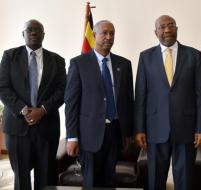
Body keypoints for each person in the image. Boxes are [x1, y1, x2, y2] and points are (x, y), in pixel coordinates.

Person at [134, 15, 201, 190]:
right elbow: (141, 96)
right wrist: (139, 129)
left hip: (186, 128)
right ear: (156, 32)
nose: (167, 30)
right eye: (162, 27)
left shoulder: (194, 55)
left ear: (176, 28)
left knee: (185, 179)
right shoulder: (146, 57)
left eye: (171, 25)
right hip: (155, 128)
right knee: (155, 179)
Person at [65, 20, 134, 189]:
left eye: (112, 33)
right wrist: (72, 136)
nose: (108, 37)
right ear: (94, 35)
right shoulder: (78, 63)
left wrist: (129, 132)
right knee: (91, 182)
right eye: (104, 33)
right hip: (89, 134)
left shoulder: (124, 64)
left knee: (110, 180)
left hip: (115, 133)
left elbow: (128, 101)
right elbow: (71, 103)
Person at [0, 19, 66, 190]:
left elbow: (62, 91)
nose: (34, 32)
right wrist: (24, 110)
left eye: (38, 30)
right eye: (29, 30)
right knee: (21, 178)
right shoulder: (9, 56)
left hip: (47, 127)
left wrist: (42, 110)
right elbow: (3, 88)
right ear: (23, 34)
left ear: (44, 35)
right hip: (17, 128)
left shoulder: (57, 60)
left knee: (46, 178)